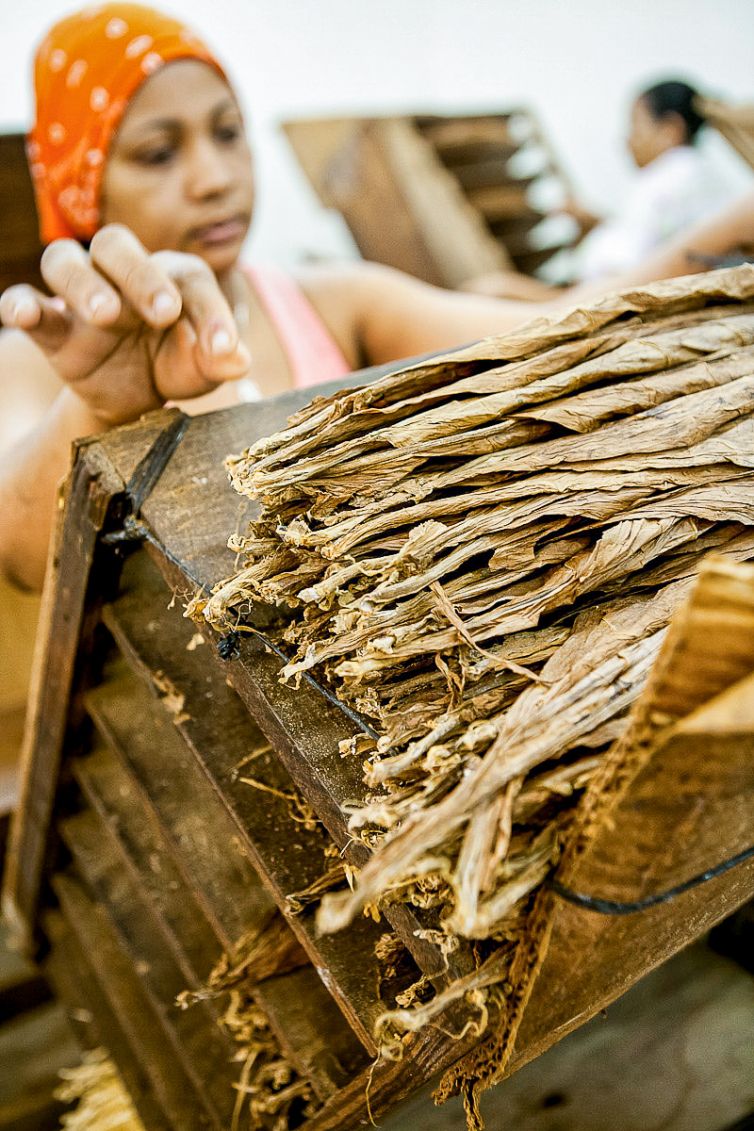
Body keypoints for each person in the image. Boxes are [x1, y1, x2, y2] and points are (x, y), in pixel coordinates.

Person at [0, 3, 543, 592]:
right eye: (159, 153)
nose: (215, 178)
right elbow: (22, 559)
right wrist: (98, 411)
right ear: (78, 184)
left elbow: (547, 331)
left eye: (228, 132)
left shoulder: (335, 303)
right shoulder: (34, 359)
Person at [466, 78, 740, 299]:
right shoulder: (696, 176)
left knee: (490, 289)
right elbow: (650, 241)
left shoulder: (668, 177)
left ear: (670, 129)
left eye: (636, 126)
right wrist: (593, 222)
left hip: (603, 301)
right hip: (610, 294)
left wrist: (545, 298)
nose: (628, 140)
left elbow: (621, 272)